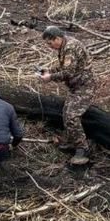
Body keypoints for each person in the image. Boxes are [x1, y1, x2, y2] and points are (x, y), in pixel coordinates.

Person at [39, 25, 96, 165]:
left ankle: (83, 149)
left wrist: (50, 77)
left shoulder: (70, 47)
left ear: (57, 38)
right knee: (66, 112)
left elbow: (68, 73)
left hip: (84, 87)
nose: (49, 46)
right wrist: (49, 70)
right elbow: (66, 67)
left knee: (72, 115)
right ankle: (73, 142)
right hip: (76, 86)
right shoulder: (65, 45)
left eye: (50, 43)